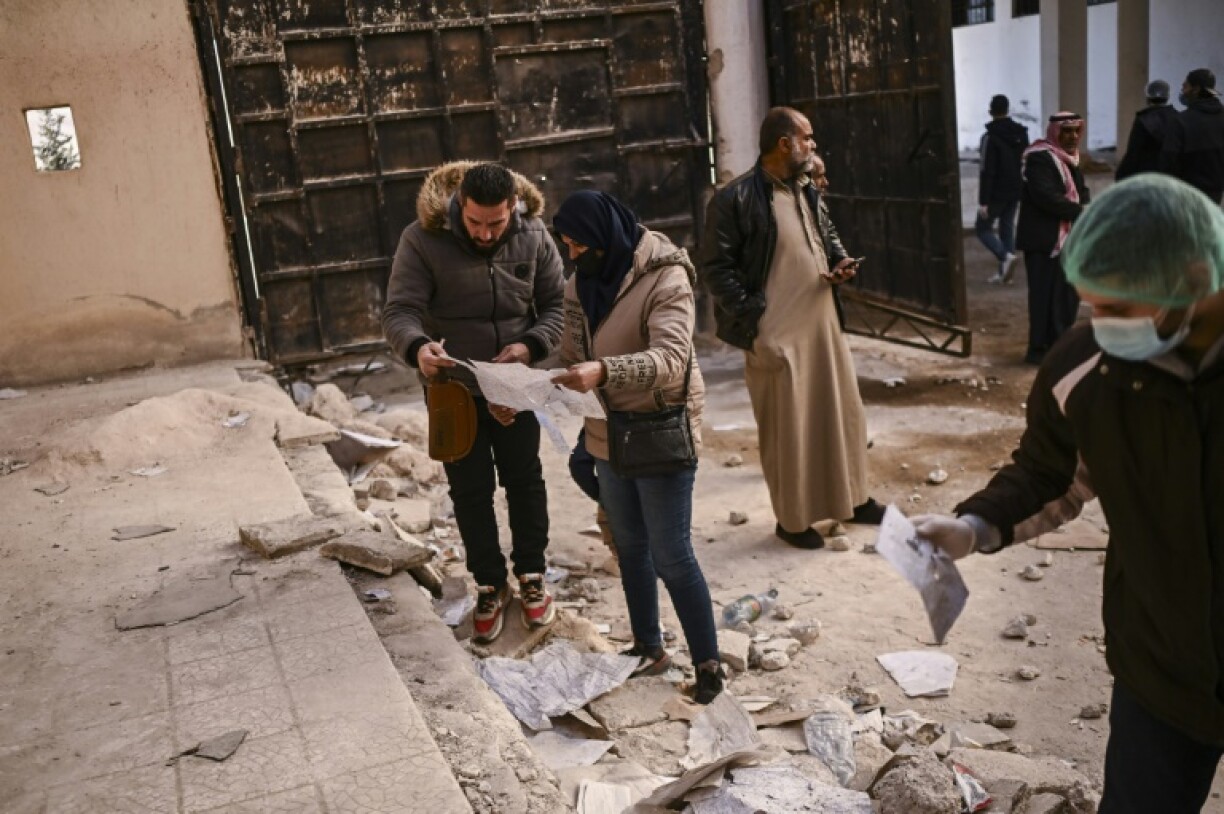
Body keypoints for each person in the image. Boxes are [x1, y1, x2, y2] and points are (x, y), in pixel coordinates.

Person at [912, 174, 1224, 814]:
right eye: (1091, 306)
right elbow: (1048, 472)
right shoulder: (1085, 370)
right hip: (1159, 667)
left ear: (1192, 281)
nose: (1098, 326)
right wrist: (975, 525)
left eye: (1115, 309)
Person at [551, 190, 724, 704]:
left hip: (658, 431)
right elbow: (570, 353)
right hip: (607, 432)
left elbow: (671, 359)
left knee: (672, 555)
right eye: (567, 246)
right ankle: (649, 647)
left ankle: (709, 666)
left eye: (580, 245)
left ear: (607, 237)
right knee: (629, 548)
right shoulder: (578, 285)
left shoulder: (667, 277)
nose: (574, 256)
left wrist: (604, 370)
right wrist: (528, 386)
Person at [382, 161, 565, 643]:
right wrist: (419, 347)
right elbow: (400, 311)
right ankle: (489, 583)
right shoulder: (421, 239)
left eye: (497, 223)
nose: (485, 234)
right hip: (453, 389)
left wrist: (529, 346)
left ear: (514, 209)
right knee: (469, 488)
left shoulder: (535, 235)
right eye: (475, 222)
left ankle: (531, 576)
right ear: (459, 205)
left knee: (524, 479)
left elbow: (556, 308)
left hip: (514, 381)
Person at [699, 106, 884, 550]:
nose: (814, 145)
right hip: (776, 329)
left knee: (842, 414)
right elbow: (715, 267)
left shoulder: (805, 187)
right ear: (785, 143)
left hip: (821, 322)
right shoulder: (734, 199)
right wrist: (756, 323)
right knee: (789, 428)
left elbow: (826, 233)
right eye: (808, 138)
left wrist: (839, 260)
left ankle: (852, 500)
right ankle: (793, 519)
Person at [1016, 111, 1091, 365]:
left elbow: (1081, 192)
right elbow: (1045, 196)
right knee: (1043, 297)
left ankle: (1059, 347)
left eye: (1075, 131)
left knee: (1066, 296)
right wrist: (1082, 211)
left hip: (1068, 238)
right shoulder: (1040, 158)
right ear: (1054, 132)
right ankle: (1038, 350)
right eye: (1066, 131)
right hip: (1043, 239)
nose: (1071, 137)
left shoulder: (1069, 159)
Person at [976, 94, 1030, 283]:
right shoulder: (1021, 134)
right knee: (1007, 228)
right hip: (1016, 188)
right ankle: (1005, 275)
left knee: (982, 228)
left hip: (996, 192)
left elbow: (986, 171)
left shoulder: (989, 138)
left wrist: (983, 201)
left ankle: (1004, 257)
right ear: (1008, 110)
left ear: (991, 111)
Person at [1161, 68, 1224, 203]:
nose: (1183, 91)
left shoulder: (1180, 121)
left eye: (1185, 86)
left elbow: (1169, 162)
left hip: (1186, 194)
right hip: (1216, 192)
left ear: (1196, 89)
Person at [1115, 80, 1178, 181]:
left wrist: (1121, 175)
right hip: (1172, 175)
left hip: (1147, 175)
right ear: (1167, 97)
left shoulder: (1143, 120)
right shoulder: (1178, 118)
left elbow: (1134, 152)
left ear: (1148, 98)